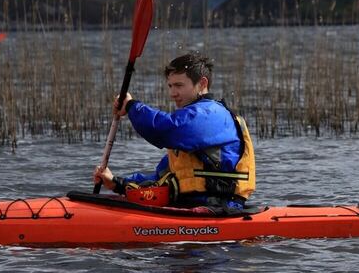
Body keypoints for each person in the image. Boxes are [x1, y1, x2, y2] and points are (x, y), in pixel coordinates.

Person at [93, 53, 256, 209]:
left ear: (202, 84)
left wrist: (131, 106)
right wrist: (118, 184)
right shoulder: (191, 126)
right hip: (191, 208)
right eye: (170, 86)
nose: (172, 93)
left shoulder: (211, 114)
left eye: (179, 85)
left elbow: (162, 130)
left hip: (219, 209)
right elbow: (161, 178)